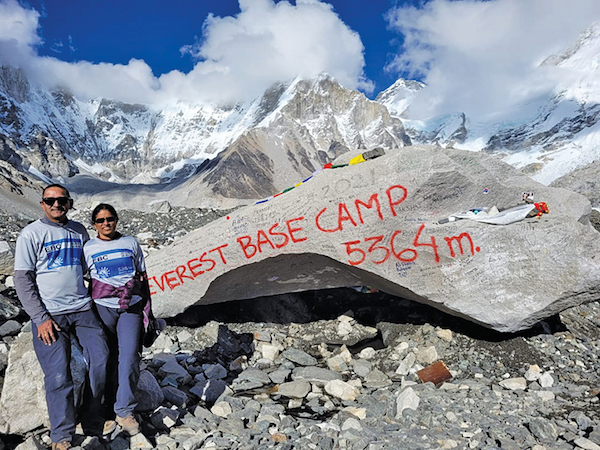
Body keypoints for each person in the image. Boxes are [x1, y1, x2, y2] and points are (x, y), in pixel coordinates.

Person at [14, 184, 109, 450]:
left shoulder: (78, 230)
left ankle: (91, 418)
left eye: (62, 201)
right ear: (42, 204)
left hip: (82, 310)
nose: (56, 205)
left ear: (69, 203)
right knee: (59, 375)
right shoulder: (31, 234)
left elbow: (91, 267)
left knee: (100, 362)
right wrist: (40, 317)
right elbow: (22, 280)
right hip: (50, 315)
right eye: (50, 200)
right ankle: (62, 435)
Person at [83, 203, 151, 436]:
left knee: (130, 355)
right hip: (102, 307)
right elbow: (84, 277)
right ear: (94, 225)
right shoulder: (88, 247)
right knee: (103, 358)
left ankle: (124, 409)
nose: (106, 223)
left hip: (130, 307)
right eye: (100, 220)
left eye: (110, 218)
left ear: (116, 220)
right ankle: (96, 409)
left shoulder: (131, 243)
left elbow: (142, 274)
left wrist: (148, 310)